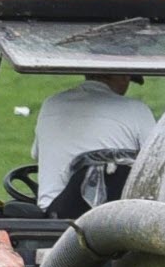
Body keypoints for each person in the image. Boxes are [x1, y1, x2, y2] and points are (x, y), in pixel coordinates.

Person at [31, 74, 154, 213]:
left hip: (54, 218)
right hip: (116, 221)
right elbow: (157, 163)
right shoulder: (137, 110)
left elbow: (36, 154)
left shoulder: (51, 104)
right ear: (124, 78)